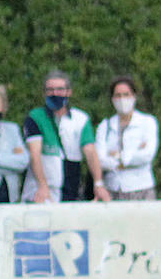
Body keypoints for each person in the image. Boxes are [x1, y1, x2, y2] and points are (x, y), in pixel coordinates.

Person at [21, 70, 111, 203]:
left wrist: (98, 184)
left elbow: (90, 151)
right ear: (44, 93)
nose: (55, 93)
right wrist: (42, 185)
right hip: (43, 189)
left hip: (71, 184)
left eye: (60, 89)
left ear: (69, 92)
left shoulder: (81, 118)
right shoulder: (35, 117)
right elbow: (35, 154)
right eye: (50, 90)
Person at [95, 75, 160, 200]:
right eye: (118, 95)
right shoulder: (105, 125)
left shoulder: (148, 122)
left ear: (134, 96)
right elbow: (100, 159)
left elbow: (147, 155)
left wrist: (117, 156)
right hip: (113, 189)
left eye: (126, 95)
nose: (122, 99)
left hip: (142, 188)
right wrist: (132, 154)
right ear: (112, 98)